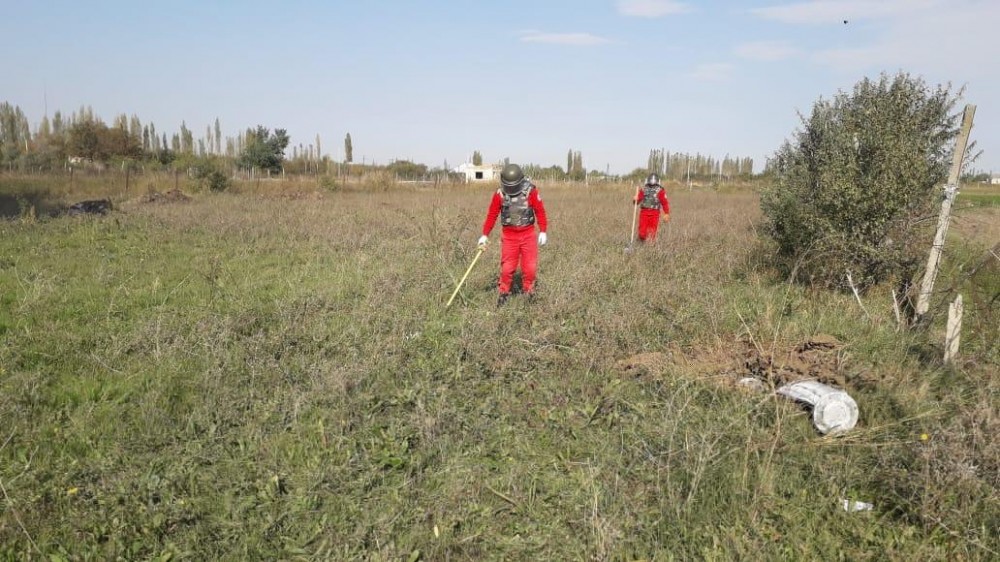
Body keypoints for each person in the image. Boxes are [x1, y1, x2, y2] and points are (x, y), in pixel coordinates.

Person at [478, 163, 548, 306]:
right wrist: (485, 234)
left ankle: (529, 292)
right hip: (509, 238)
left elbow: (540, 211)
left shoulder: (531, 191)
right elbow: (492, 214)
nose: (510, 189)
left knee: (530, 268)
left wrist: (543, 230)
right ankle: (504, 293)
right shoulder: (499, 194)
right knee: (507, 268)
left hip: (528, 235)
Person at [633, 173, 670, 243]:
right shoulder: (644, 189)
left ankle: (649, 247)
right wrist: (635, 199)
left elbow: (664, 203)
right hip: (644, 213)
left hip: (655, 213)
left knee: (652, 232)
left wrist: (666, 213)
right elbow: (638, 200)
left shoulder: (660, 190)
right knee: (642, 232)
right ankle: (641, 243)